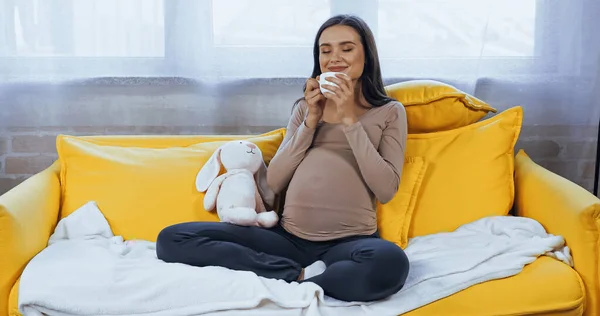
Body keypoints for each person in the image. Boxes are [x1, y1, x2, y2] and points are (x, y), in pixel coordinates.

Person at [155, 14, 409, 303]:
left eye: (346, 48)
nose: (334, 57)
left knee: (392, 264)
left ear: (367, 56)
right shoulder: (305, 108)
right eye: (325, 51)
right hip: (288, 239)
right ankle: (295, 275)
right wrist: (311, 121)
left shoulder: (390, 112)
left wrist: (350, 120)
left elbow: (386, 189)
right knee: (172, 239)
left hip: (351, 241)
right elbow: (274, 181)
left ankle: (316, 279)